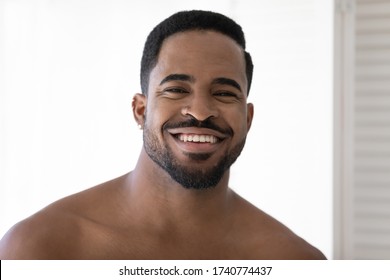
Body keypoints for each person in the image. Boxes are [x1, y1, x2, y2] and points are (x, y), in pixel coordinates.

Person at [0, 10, 326, 260]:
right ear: (140, 110)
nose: (200, 112)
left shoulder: (295, 262)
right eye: (176, 89)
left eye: (225, 93)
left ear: (248, 117)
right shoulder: (41, 248)